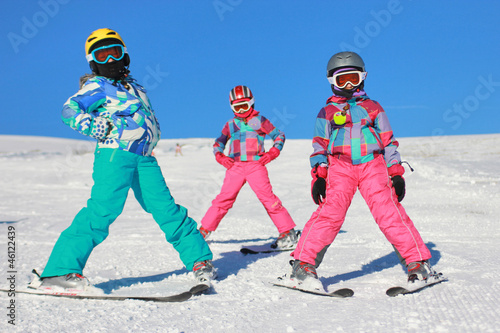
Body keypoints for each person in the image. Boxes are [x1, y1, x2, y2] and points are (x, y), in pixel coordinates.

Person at [32, 28, 216, 293]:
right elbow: (69, 109)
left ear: (125, 55)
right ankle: (58, 271)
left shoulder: (135, 87)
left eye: (114, 53)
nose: (109, 60)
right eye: (102, 55)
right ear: (93, 62)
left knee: (167, 209)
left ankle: (199, 260)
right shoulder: (97, 86)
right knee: (102, 210)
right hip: (114, 154)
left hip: (143, 157)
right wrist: (91, 124)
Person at [285, 51, 438, 292]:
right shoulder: (326, 112)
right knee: (329, 215)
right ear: (332, 82)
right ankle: (303, 266)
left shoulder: (373, 107)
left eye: (353, 78)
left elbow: (388, 141)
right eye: (342, 79)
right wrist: (320, 176)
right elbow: (319, 145)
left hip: (372, 165)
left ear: (363, 78)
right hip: (340, 166)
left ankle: (418, 263)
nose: (348, 85)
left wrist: (396, 172)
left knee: (389, 212)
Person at [199, 85, 297, 249]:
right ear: (232, 107)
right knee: (223, 199)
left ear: (251, 103)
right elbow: (218, 143)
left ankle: (287, 232)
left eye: (244, 105)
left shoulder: (260, 121)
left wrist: (272, 153)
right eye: (237, 107)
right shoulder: (231, 125)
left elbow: (279, 135)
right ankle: (204, 230)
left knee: (268, 198)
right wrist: (221, 157)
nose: (241, 110)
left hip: (255, 165)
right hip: (235, 167)